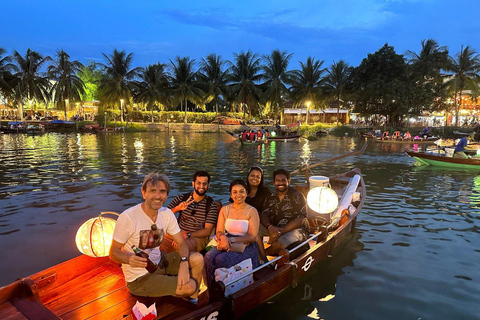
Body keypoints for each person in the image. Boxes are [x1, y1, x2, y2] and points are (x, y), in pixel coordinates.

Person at [109, 173, 203, 301]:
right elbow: (113, 252)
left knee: (198, 259)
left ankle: (193, 302)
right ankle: (181, 291)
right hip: (140, 278)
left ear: (166, 195)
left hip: (160, 264)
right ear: (144, 193)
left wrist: (184, 264)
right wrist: (128, 259)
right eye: (152, 191)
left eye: (162, 191)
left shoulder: (167, 214)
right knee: (190, 286)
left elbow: (181, 243)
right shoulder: (129, 217)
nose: (158, 196)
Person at [204, 179, 260, 289]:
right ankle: (211, 287)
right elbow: (219, 231)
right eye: (235, 192)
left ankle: (226, 287)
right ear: (231, 194)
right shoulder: (225, 209)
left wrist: (232, 240)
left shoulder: (252, 211)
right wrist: (223, 238)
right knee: (208, 257)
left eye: (241, 191)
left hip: (245, 244)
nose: (238, 195)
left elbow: (252, 236)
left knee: (222, 259)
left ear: (246, 193)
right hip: (226, 239)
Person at [162, 171, 219, 253]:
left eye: (204, 184)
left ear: (208, 185)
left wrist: (188, 234)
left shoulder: (211, 205)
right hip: (177, 233)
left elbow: (207, 231)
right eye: (198, 183)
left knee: (181, 245)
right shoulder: (182, 198)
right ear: (193, 183)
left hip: (197, 237)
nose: (201, 186)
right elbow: (163, 215)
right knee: (155, 241)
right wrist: (177, 208)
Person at [259, 169, 308, 256]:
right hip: (273, 228)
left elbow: (300, 219)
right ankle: (256, 254)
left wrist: (280, 233)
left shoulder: (297, 196)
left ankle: (261, 257)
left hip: (295, 230)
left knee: (278, 245)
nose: (280, 183)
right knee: (253, 231)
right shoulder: (271, 196)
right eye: (278, 180)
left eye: (283, 180)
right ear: (274, 182)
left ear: (288, 181)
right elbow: (264, 214)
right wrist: (270, 227)